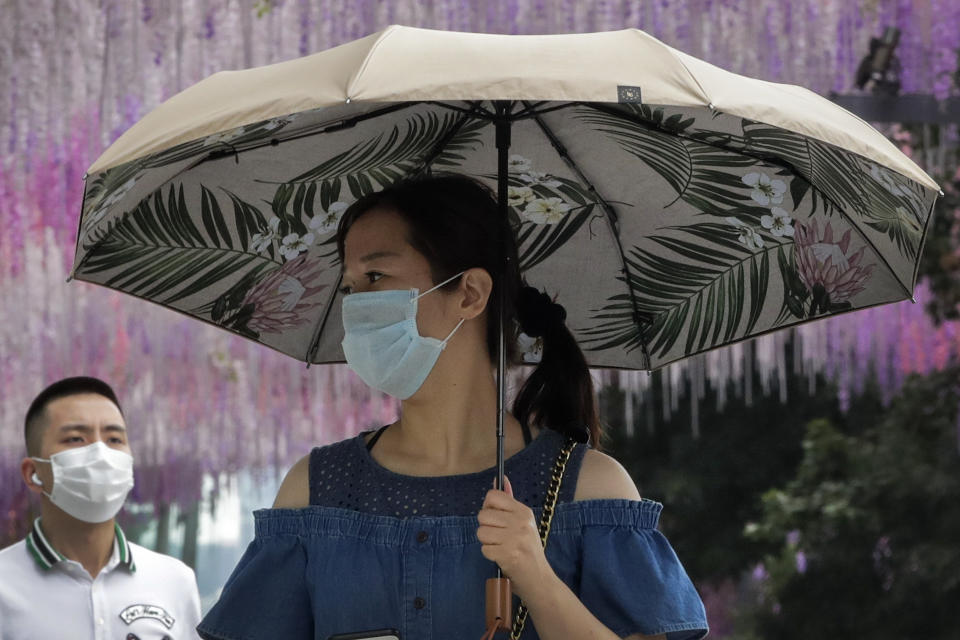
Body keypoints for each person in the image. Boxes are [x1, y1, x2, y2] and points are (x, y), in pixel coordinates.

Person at [199, 175, 707, 639]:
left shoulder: (590, 488)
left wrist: (534, 571)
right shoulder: (314, 489)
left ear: (469, 293)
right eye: (349, 287)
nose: (355, 306)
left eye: (376, 277)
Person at [0, 376, 202, 640]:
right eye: (75, 439)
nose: (100, 454)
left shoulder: (175, 581)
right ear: (33, 473)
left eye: (114, 439)